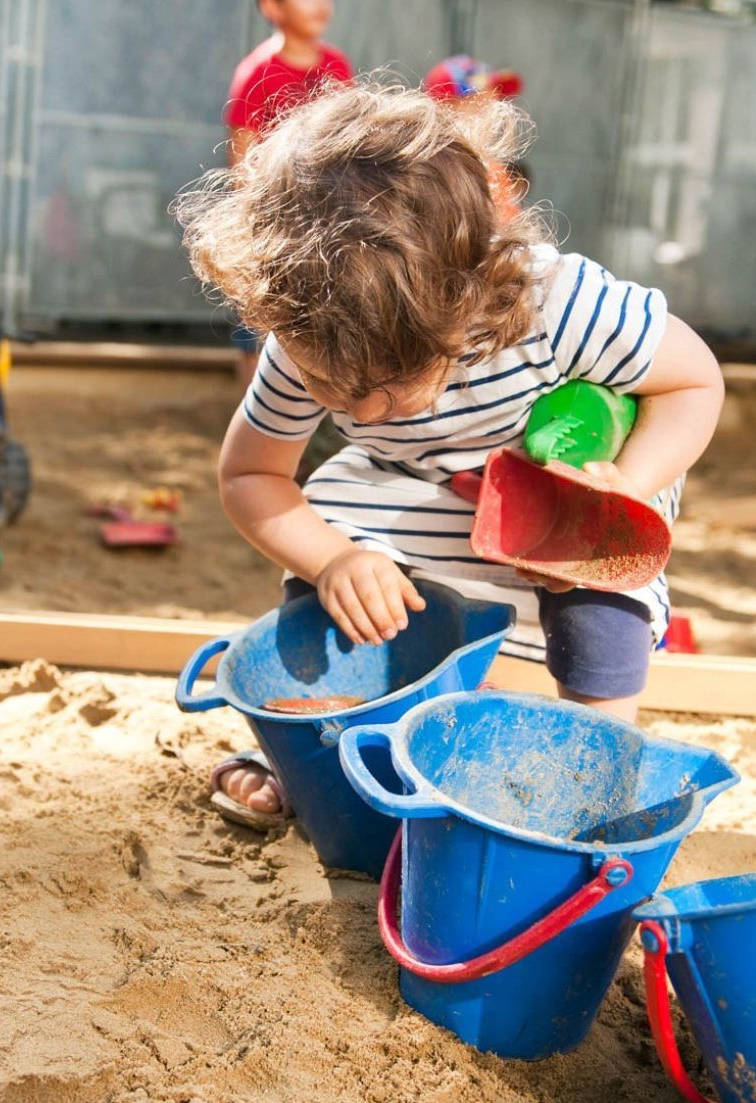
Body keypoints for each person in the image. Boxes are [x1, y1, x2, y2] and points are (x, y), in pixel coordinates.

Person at [178, 83, 724, 825]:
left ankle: (598, 774)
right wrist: (332, 561)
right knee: (342, 583)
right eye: (331, 387)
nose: (360, 409)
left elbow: (695, 381)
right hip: (412, 487)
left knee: (597, 593)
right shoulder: (313, 323)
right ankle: (309, 757)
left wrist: (624, 485)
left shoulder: (555, 303)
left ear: (463, 298)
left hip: (561, 488)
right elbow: (252, 473)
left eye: (389, 383)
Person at [224, 0, 351, 384]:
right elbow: (241, 158)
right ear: (272, 8)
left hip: (325, 218)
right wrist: (253, 224)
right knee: (260, 316)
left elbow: (350, 139)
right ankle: (253, 405)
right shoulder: (256, 72)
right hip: (273, 218)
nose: (319, 5)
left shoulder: (337, 67)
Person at [423, 54, 527, 221]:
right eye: (478, 101)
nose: (496, 111)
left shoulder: (495, 172)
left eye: (495, 100)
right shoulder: (423, 172)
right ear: (444, 107)